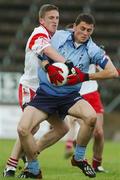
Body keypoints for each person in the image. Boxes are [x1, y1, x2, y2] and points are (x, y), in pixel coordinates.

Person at [16, 13, 118, 179]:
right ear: (75, 27)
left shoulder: (93, 49)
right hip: (45, 94)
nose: (85, 33)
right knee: (23, 129)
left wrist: (84, 77)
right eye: (82, 29)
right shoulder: (58, 36)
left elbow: (113, 72)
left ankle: (79, 158)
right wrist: (49, 67)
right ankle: (33, 169)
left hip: (70, 97)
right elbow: (41, 54)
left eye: (89, 30)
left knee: (91, 118)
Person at [3, 4, 71, 177]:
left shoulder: (55, 37)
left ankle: (31, 152)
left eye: (57, 18)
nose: (55, 21)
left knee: (62, 129)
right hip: (30, 88)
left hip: (46, 92)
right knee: (30, 128)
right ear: (42, 20)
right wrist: (67, 63)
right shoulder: (39, 33)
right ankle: (10, 166)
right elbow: (47, 50)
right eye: (51, 18)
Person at [65, 64, 106, 172]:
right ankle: (78, 153)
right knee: (85, 125)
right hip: (76, 94)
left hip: (92, 93)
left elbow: (107, 69)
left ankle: (97, 165)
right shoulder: (67, 49)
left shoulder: (94, 50)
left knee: (99, 132)